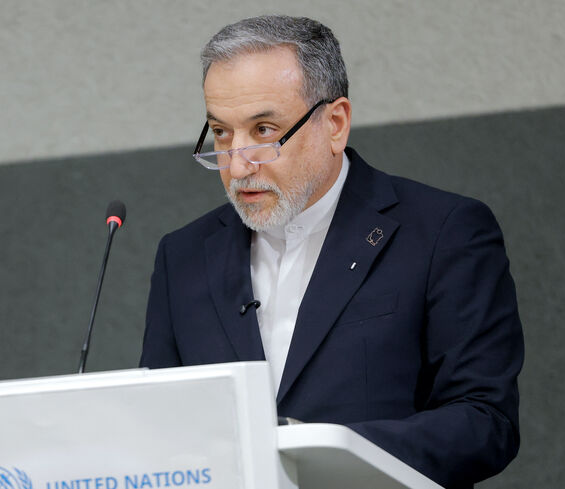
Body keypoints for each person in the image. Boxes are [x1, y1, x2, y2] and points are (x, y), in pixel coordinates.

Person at [139, 15, 523, 489]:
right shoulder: (183, 257)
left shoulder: (443, 231)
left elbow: (484, 422)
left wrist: (315, 449)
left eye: (263, 130)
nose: (237, 164)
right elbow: (156, 428)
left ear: (335, 123)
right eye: (221, 132)